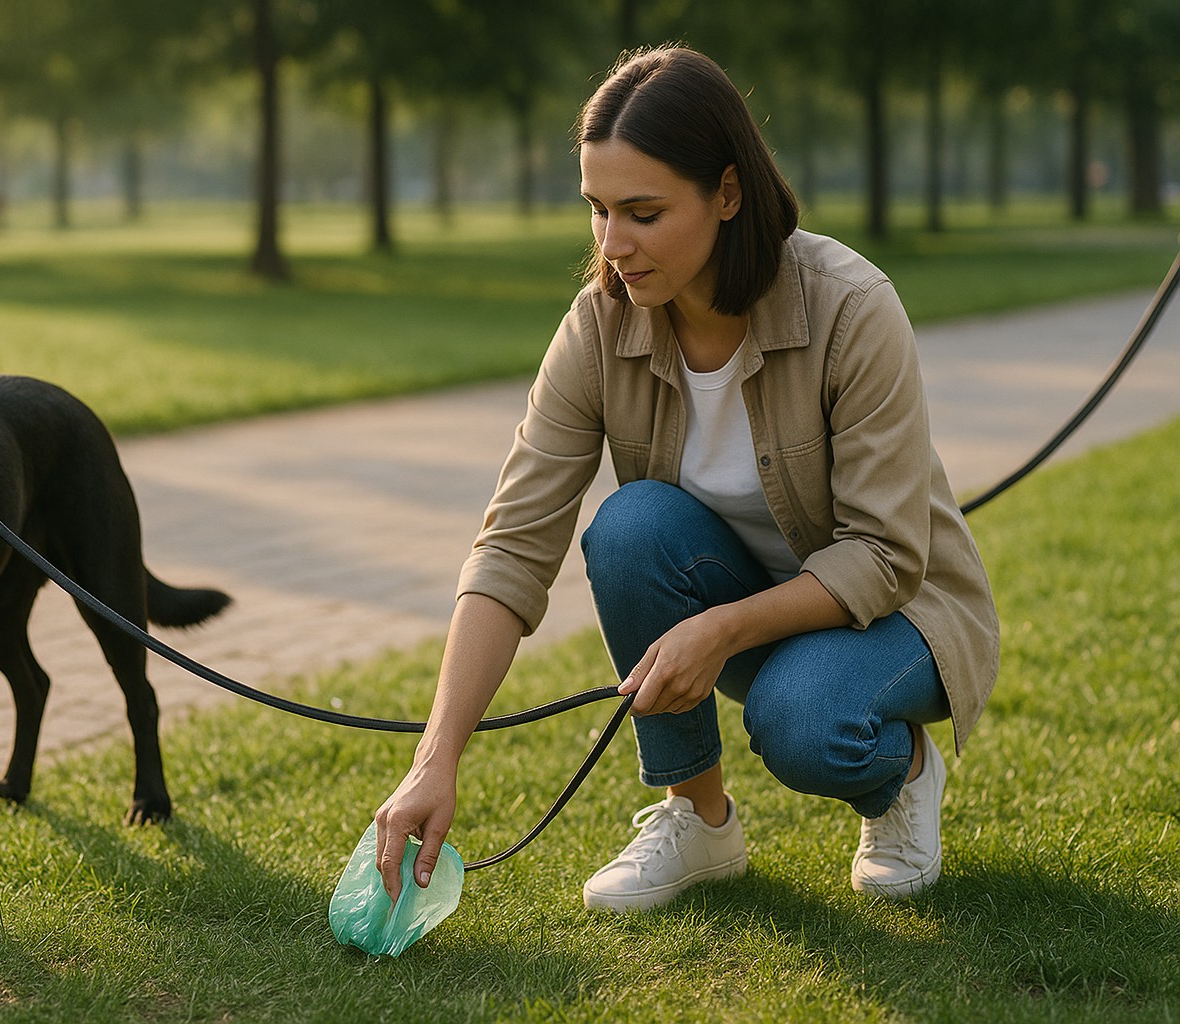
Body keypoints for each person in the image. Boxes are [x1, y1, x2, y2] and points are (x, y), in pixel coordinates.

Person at [372, 44, 999, 912]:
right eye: (596, 211)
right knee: (630, 528)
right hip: (743, 611)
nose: (612, 245)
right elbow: (514, 543)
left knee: (801, 721)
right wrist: (433, 759)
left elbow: (889, 557)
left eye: (642, 212)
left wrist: (722, 632)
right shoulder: (600, 324)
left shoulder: (851, 306)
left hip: (899, 615)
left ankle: (901, 778)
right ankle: (699, 823)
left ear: (728, 194)